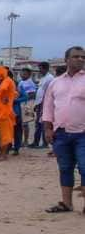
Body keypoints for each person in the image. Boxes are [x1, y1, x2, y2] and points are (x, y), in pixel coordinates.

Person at [42, 46, 85, 214]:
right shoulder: (55, 82)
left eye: (83, 57)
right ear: (66, 59)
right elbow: (48, 108)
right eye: (76, 57)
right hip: (61, 133)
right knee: (65, 167)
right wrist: (47, 128)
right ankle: (67, 204)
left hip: (83, 133)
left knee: (84, 167)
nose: (80, 59)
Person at [0, 66, 17, 161]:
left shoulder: (7, 81)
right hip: (2, 112)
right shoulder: (6, 81)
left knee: (5, 134)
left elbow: (4, 90)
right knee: (3, 134)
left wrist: (4, 96)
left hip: (4, 112)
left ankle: (3, 155)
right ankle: (2, 153)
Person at [29, 62, 54, 148]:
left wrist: (44, 104)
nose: (39, 70)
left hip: (45, 103)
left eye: (41, 68)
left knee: (44, 123)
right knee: (38, 124)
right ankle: (35, 142)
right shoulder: (43, 78)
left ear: (45, 68)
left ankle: (45, 143)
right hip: (39, 102)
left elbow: (48, 92)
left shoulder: (50, 78)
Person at [18, 68, 37, 148]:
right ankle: (21, 141)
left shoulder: (30, 83)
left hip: (27, 105)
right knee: (21, 124)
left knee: (25, 124)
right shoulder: (21, 82)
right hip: (21, 104)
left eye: (24, 74)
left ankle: (25, 141)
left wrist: (22, 98)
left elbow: (32, 95)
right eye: (21, 73)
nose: (22, 75)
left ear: (29, 75)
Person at [12, 71, 28, 155]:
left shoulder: (18, 89)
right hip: (8, 113)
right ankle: (10, 147)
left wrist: (15, 100)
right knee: (12, 131)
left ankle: (16, 148)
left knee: (17, 131)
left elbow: (26, 97)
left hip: (16, 113)